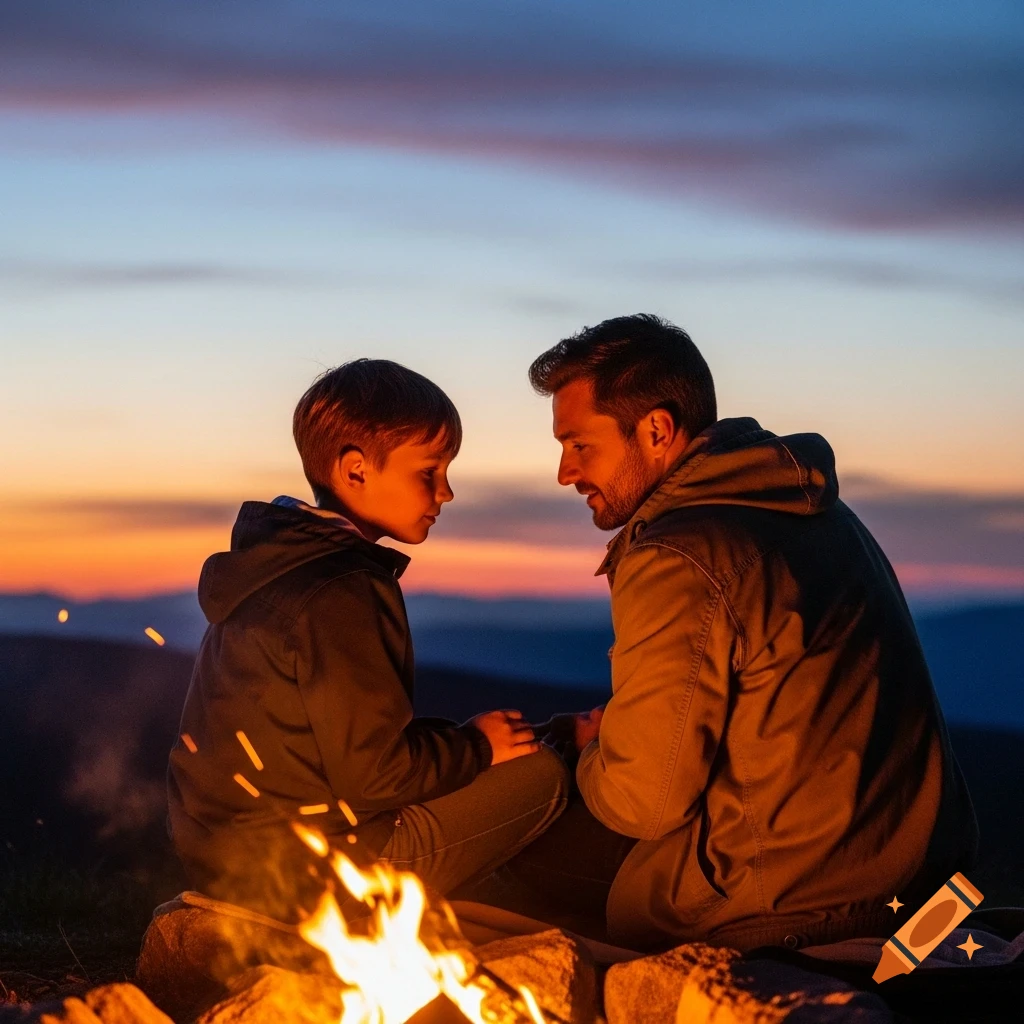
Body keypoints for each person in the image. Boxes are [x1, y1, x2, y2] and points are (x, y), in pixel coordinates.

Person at [505, 313, 977, 953]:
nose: (565, 471)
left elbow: (642, 802)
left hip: (792, 906)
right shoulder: (816, 512)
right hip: (919, 882)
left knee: (501, 860)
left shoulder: (679, 553)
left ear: (656, 431)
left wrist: (591, 750)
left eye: (580, 444)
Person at [167, 359, 567, 918]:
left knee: (505, 764)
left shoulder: (273, 567)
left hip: (233, 860)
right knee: (542, 779)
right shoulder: (345, 587)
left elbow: (335, 747)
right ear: (355, 471)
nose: (446, 492)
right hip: (320, 875)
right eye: (429, 471)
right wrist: (477, 748)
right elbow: (378, 776)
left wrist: (489, 741)